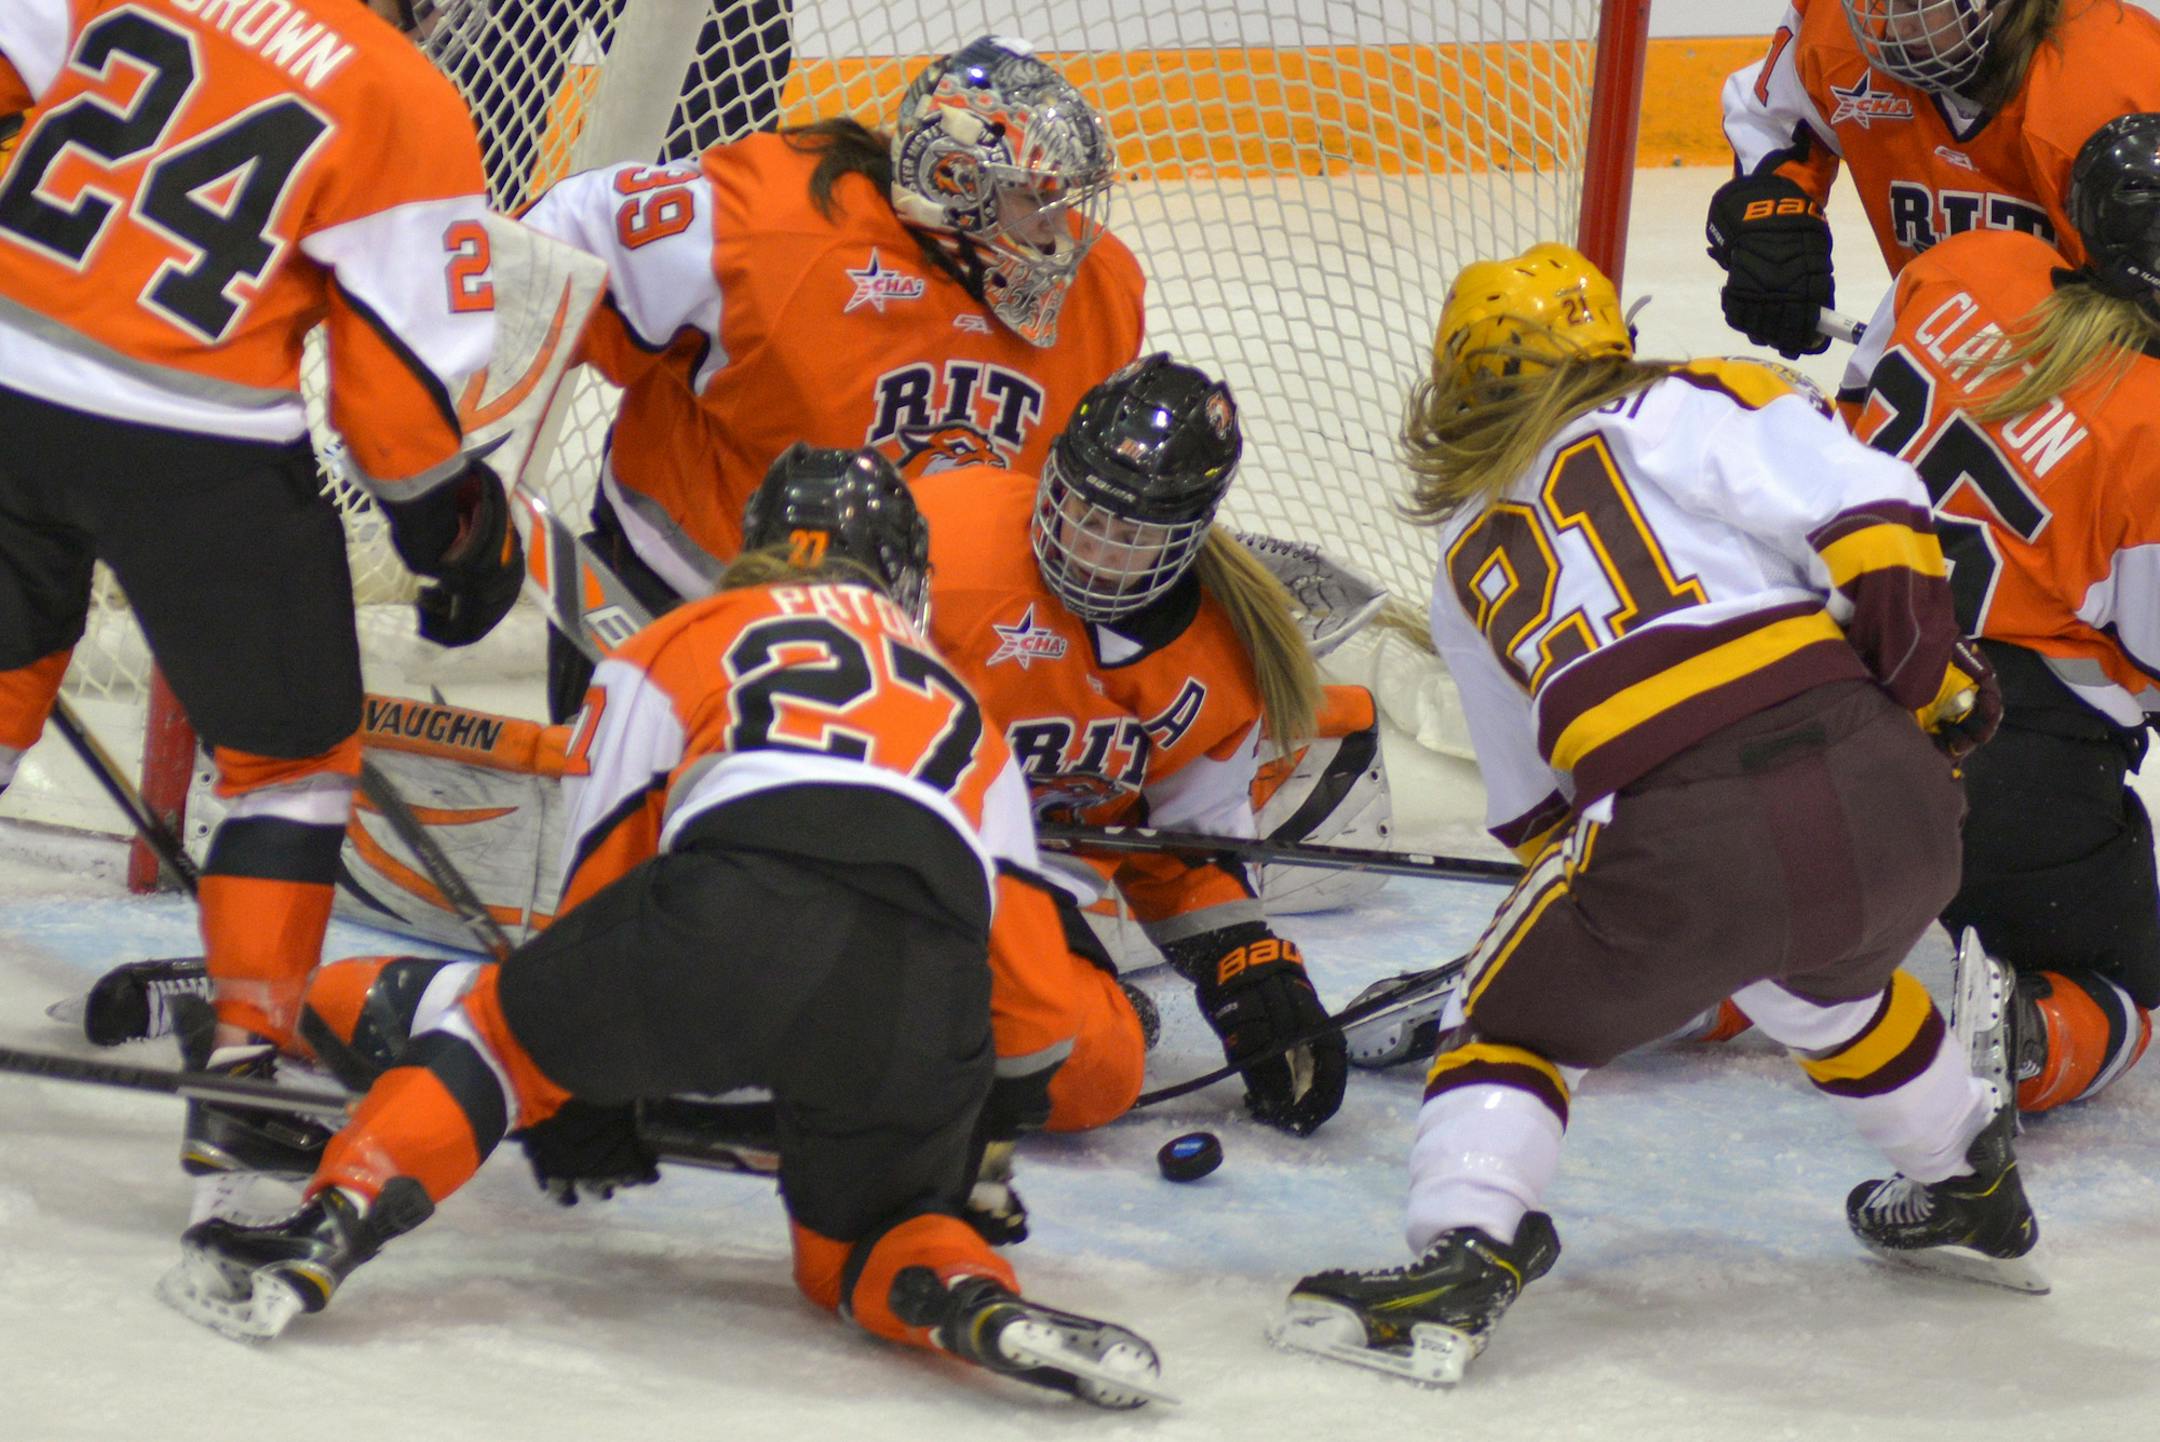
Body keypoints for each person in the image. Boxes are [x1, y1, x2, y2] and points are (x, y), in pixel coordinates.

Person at [156, 445, 1167, 1409]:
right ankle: (968, 1298)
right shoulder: (966, 709)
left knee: (495, 1034)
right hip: (921, 993)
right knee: (866, 1239)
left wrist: (580, 1080)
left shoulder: (678, 638)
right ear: (904, 574)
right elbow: (1030, 991)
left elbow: (601, 888)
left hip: (734, 913)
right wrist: (981, 1131)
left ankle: (323, 1228)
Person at [1270, 243, 2040, 1388]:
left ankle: (1467, 1246)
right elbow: (1875, 508)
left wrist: (1609, 926)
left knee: (1506, 1013)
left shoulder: (1466, 554)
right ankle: (1968, 1178)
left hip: (1688, 828)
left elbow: (1541, 816)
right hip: (1897, 804)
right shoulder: (1690, 396)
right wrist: (1926, 685)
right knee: (1817, 985)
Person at [0, 1, 523, 1203]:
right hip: (195, 443)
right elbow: (390, 402)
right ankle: (245, 1076)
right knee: (291, 761)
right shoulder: (402, 90)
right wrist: (449, 528)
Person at [518, 32, 1146, 722]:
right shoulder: (768, 225)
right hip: (676, 605)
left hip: (904, 662)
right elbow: (538, 259)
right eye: (1037, 199)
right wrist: (455, 486)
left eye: (1063, 200)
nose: (1062, 232)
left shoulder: (1103, 292)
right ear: (954, 182)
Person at [913, 354, 1349, 1143]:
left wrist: (1248, 967)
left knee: (1090, 1076)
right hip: (876, 855)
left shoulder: (1219, 665)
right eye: (1084, 513)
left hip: (1023, 904)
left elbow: (1184, 851)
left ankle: (1071, 1002)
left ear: (1188, 536)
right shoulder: (944, 532)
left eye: (1131, 535)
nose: (1094, 547)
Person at [1836, 112, 2160, 1113]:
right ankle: (2026, 1035)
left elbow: (1834, 423)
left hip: (1790, 697)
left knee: (1777, 895)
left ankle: (1709, 971)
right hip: (1986, 768)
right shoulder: (2151, 425)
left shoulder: (1968, 258)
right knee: (2131, 987)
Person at [1712, 0, 2160, 358]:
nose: (1896, 26)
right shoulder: (1843, 26)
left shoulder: (2114, 79)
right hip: (1934, 350)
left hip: (2090, 386)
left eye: (1916, 3)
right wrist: (1774, 216)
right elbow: (1769, 116)